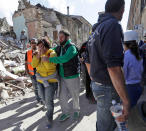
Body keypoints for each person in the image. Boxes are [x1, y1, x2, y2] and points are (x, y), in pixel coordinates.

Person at [85, 0, 130, 130]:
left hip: (98, 85)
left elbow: (87, 60)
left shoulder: (95, 30)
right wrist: (126, 101)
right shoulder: (112, 25)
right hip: (107, 87)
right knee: (108, 126)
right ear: (122, 9)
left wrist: (94, 79)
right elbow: (113, 68)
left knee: (104, 123)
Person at [42, 29, 81, 121]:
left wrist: (49, 60)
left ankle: (76, 110)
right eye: (59, 37)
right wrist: (43, 50)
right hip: (62, 76)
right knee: (62, 96)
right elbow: (51, 50)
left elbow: (64, 59)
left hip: (72, 76)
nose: (59, 39)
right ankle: (65, 113)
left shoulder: (72, 47)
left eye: (61, 37)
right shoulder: (60, 47)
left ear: (67, 37)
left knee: (74, 95)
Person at [31, 39, 58, 129]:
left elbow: (50, 69)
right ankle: (48, 111)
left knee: (49, 102)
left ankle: (49, 119)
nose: (40, 48)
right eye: (39, 47)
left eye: (41, 46)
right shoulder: (38, 54)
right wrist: (37, 57)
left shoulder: (52, 53)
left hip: (50, 81)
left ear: (46, 46)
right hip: (40, 81)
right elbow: (33, 65)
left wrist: (45, 58)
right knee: (43, 98)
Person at [123, 30, 143, 108]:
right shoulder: (139, 53)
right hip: (139, 86)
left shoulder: (126, 55)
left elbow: (124, 74)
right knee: (133, 106)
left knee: (127, 109)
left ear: (125, 44)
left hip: (130, 88)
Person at [25, 38, 41, 105]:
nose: (33, 44)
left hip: (40, 73)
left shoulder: (41, 51)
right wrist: (27, 71)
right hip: (32, 73)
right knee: (36, 88)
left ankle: (43, 100)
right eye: (32, 43)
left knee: (41, 87)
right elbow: (26, 63)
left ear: (37, 43)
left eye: (34, 43)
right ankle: (38, 100)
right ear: (30, 44)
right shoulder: (28, 52)